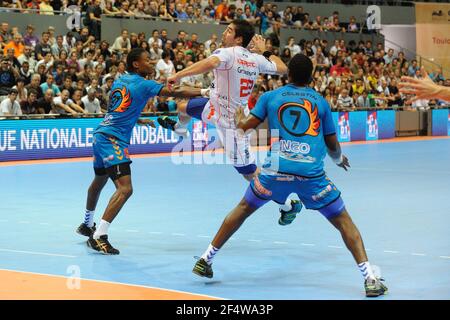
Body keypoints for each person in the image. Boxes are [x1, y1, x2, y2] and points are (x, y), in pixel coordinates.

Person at [192, 54, 388, 298]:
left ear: (289, 75)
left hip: (275, 171)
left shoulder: (270, 97)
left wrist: (238, 114)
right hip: (311, 175)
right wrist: (338, 160)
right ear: (311, 77)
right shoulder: (320, 101)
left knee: (243, 209)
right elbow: (331, 143)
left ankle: (205, 259)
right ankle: (370, 279)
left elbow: (243, 128)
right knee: (344, 222)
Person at [76, 48, 205, 255]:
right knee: (125, 189)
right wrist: (205, 92)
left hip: (101, 134)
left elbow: (118, 109)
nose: (152, 63)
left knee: (98, 181)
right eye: (148, 60)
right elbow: (176, 92)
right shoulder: (145, 84)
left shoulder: (120, 81)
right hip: (113, 139)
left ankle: (86, 223)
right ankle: (99, 236)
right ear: (136, 64)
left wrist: (138, 119)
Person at [158, 20, 287, 182]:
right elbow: (283, 69)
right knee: (183, 107)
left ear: (239, 39)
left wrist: (177, 75)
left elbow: (211, 62)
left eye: (229, 30)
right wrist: (265, 52)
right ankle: (179, 129)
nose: (223, 33)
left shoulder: (228, 53)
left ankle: (287, 203)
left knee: (250, 174)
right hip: (215, 107)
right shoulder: (256, 59)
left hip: (232, 124)